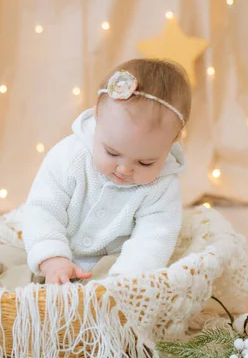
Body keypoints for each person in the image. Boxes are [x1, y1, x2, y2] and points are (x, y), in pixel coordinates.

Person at [23, 58, 191, 284]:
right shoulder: (70, 156)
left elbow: (155, 237)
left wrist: (127, 280)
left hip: (114, 265)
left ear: (171, 143)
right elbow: (43, 209)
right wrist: (52, 257)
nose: (124, 169)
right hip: (53, 252)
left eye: (145, 163)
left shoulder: (162, 185)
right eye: (112, 153)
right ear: (96, 118)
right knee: (16, 269)